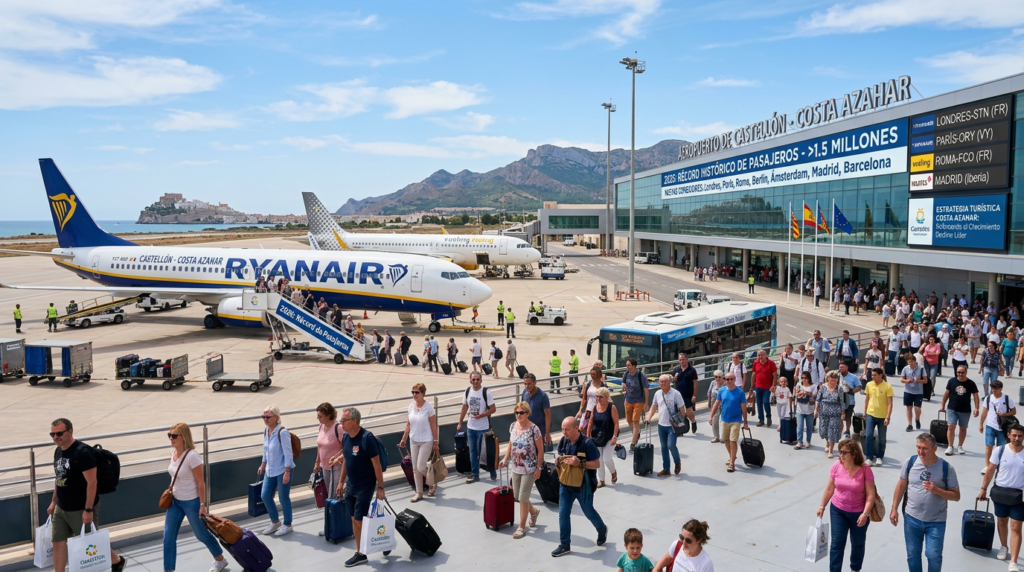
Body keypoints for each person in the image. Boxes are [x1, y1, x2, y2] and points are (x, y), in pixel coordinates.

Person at [47, 418, 127, 572]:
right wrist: (53, 501)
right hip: (61, 508)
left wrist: (88, 510)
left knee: (90, 543)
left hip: (80, 508)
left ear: (70, 432)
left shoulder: (83, 453)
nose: (55, 437)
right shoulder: (58, 451)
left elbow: (92, 483)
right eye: (52, 434)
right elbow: (59, 478)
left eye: (59, 433)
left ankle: (117, 560)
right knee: (57, 543)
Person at [890, 433, 960, 572]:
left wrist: (937, 490)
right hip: (912, 518)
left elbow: (956, 496)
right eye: (918, 447)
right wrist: (894, 509)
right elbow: (901, 485)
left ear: (934, 449)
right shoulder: (910, 463)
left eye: (925, 448)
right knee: (912, 555)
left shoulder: (946, 468)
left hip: (936, 521)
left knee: (933, 555)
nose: (920, 452)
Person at [163, 423, 227, 572]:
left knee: (201, 534)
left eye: (174, 436)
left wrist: (202, 505)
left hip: (191, 502)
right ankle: (168, 569)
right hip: (175, 502)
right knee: (168, 536)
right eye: (169, 435)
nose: (171, 438)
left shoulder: (192, 455)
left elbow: (200, 482)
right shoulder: (173, 454)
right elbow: (175, 475)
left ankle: (220, 559)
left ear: (183, 437)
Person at [333, 407, 386, 568]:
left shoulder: (367, 438)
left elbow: (376, 465)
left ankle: (362, 553)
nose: (341, 423)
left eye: (344, 420)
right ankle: (379, 543)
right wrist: (341, 481)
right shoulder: (346, 438)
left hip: (365, 485)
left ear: (354, 421)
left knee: (358, 519)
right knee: (355, 520)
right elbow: (347, 461)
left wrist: (381, 487)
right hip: (351, 485)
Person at [817, 439, 877, 572]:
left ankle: (855, 569)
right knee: (837, 544)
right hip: (838, 511)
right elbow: (829, 488)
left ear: (854, 454)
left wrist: (865, 513)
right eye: (840, 452)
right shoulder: (836, 466)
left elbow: (870, 495)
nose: (841, 455)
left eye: (845, 452)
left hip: (859, 514)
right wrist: (822, 506)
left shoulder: (865, 470)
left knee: (857, 544)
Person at [551, 416, 607, 558]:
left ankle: (601, 529)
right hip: (566, 484)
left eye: (567, 430)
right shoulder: (563, 441)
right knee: (563, 514)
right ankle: (564, 544)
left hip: (583, 486)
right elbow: (560, 455)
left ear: (577, 428)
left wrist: (580, 463)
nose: (564, 433)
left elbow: (596, 464)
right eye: (563, 429)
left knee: (588, 512)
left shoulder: (588, 444)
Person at [979, 423, 1024, 570]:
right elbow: (990, 470)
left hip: (1019, 495)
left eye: (1020, 436)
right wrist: (983, 489)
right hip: (1001, 492)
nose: (1017, 438)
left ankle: (1013, 561)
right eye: (1014, 435)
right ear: (1009, 435)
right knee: (1002, 522)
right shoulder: (1000, 450)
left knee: (1016, 527)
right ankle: (1004, 546)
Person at [499, 401, 544, 539]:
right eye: (517, 412)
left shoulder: (534, 429)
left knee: (523, 497)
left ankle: (521, 527)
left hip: (529, 468)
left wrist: (539, 467)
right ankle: (534, 512)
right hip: (516, 466)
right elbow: (510, 444)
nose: (519, 415)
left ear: (527, 413)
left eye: (521, 413)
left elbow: (540, 450)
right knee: (517, 497)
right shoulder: (513, 426)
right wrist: (505, 459)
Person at [398, 383, 439, 501]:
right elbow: (408, 424)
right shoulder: (411, 406)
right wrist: (403, 439)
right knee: (415, 469)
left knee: (421, 466)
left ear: (423, 393)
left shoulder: (429, 407)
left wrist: (435, 442)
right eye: (413, 392)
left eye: (417, 392)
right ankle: (419, 492)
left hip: (426, 440)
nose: (414, 394)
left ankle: (432, 481)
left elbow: (433, 425)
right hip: (414, 440)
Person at [258, 406, 294, 536]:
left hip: (282, 469)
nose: (265, 419)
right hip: (270, 469)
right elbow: (266, 450)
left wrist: (287, 472)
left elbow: (288, 454)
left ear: (276, 417)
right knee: (265, 495)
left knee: (283, 497)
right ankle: (275, 521)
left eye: (268, 417)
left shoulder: (282, 432)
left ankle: (288, 524)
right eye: (263, 417)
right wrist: (263, 464)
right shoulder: (266, 431)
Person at [457, 371, 497, 483]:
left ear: (481, 380)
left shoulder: (486, 392)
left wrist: (482, 415)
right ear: (470, 380)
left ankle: (492, 470)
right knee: (473, 452)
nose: (475, 381)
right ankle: (475, 474)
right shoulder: (467, 391)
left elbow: (493, 409)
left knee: (486, 452)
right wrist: (460, 422)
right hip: (471, 428)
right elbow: (464, 407)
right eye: (473, 379)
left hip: (483, 428)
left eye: (477, 379)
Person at [708, 370, 748, 472]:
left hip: (736, 420)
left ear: (734, 380)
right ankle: (732, 457)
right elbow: (716, 404)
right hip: (725, 419)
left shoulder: (740, 392)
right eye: (727, 379)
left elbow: (744, 408)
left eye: (731, 379)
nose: (729, 381)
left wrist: (745, 422)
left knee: (733, 441)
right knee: (726, 440)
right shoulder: (722, 391)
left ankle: (732, 463)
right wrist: (711, 416)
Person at [647, 374, 685, 477]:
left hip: (672, 426)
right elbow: (654, 406)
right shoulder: (658, 393)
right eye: (660, 382)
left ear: (669, 383)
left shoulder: (676, 394)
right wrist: (649, 417)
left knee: (671, 445)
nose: (662, 384)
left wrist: (680, 421)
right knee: (664, 447)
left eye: (664, 382)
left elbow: (682, 408)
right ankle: (666, 468)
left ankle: (677, 462)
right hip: (661, 425)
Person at [314, 403, 343, 535]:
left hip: (337, 467)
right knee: (330, 495)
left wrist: (337, 457)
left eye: (320, 416)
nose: (318, 418)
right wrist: (317, 462)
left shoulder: (338, 428)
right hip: (324, 467)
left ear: (328, 415)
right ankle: (336, 524)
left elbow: (346, 446)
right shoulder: (321, 426)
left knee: (334, 495)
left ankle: (333, 527)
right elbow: (320, 446)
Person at [939, 366, 980, 456]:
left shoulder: (971, 383)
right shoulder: (951, 381)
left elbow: (976, 396)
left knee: (963, 428)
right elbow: (946, 394)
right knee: (951, 426)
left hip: (965, 410)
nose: (960, 374)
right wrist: (943, 405)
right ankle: (950, 446)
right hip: (952, 408)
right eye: (958, 372)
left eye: (962, 372)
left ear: (966, 372)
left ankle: (960, 446)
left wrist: (977, 408)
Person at [981, 380, 1018, 475]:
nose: (994, 391)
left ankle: (999, 466)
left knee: (1001, 448)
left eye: (996, 389)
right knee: (989, 446)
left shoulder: (1006, 399)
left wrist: (1004, 414)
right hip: (990, 425)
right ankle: (987, 466)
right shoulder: (988, 398)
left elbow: (1014, 411)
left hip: (1002, 427)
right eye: (993, 389)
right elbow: (984, 412)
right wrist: (981, 424)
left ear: (1001, 388)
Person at [587, 386, 619, 487]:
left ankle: (613, 472)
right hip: (596, 437)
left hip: (609, 436)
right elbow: (591, 422)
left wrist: (614, 436)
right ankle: (601, 480)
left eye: (600, 397)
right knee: (599, 459)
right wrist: (588, 436)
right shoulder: (595, 407)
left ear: (606, 397)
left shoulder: (611, 407)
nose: (598, 399)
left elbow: (616, 423)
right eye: (597, 397)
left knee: (606, 458)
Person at [862, 368, 894, 466]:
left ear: (881, 375)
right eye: (872, 375)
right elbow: (867, 400)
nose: (873, 377)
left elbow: (890, 403)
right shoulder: (869, 385)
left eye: (875, 375)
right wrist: (865, 412)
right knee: (868, 436)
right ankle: (869, 457)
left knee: (882, 438)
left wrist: (888, 417)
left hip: (882, 417)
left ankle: (879, 457)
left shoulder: (887, 387)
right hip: (870, 414)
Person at [622, 358, 650, 452]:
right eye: (627, 365)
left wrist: (646, 403)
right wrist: (623, 385)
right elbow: (623, 382)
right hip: (628, 400)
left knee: (635, 422)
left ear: (634, 366)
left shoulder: (641, 375)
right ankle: (636, 433)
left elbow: (646, 390)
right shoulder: (626, 374)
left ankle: (633, 443)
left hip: (638, 401)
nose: (627, 367)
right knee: (629, 420)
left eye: (629, 365)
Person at [816, 371, 847, 458]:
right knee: (824, 430)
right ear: (828, 378)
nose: (833, 380)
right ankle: (827, 442)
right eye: (832, 378)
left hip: (835, 413)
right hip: (823, 412)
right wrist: (815, 410)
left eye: (835, 379)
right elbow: (818, 399)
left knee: (832, 431)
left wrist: (843, 413)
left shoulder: (839, 388)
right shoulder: (823, 387)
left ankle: (831, 450)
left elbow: (841, 401)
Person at [521, 373, 552, 447]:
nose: (527, 386)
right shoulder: (524, 393)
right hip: (527, 431)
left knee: (539, 454)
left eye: (529, 384)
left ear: (535, 383)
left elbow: (548, 415)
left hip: (539, 431)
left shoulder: (543, 396)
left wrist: (547, 433)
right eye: (525, 384)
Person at [672, 353, 699, 432]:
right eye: (680, 360)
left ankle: (693, 422)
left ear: (686, 359)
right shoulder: (676, 370)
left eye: (683, 359)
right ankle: (681, 429)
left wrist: (694, 395)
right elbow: (673, 380)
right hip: (678, 394)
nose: (682, 361)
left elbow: (695, 383)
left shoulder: (692, 370)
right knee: (679, 413)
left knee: (689, 411)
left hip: (688, 394)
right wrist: (674, 378)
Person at [751, 350, 778, 427]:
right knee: (759, 403)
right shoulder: (756, 362)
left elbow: (774, 375)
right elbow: (753, 374)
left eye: (761, 355)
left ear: (765, 355)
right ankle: (761, 420)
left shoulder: (771, 363)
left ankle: (768, 416)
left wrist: (773, 385)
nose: (760, 357)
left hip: (767, 387)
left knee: (766, 402)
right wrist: (751, 386)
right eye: (758, 355)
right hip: (758, 386)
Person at [576, 367, 606, 431]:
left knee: (594, 429)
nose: (592, 376)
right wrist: (580, 410)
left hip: (598, 410)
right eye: (591, 374)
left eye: (594, 374)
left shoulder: (603, 386)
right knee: (583, 428)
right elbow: (584, 398)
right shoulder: (589, 384)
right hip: (589, 410)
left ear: (598, 375)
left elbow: (606, 399)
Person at [901, 354, 926, 432]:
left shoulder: (921, 368)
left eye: (911, 362)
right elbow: (902, 379)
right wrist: (907, 381)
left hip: (918, 391)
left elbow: (925, 381)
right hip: (908, 391)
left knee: (917, 408)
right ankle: (910, 424)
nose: (910, 364)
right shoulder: (905, 369)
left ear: (915, 361)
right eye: (909, 362)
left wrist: (918, 380)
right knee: (908, 407)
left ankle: (917, 419)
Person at [794, 371, 819, 450]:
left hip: (809, 409)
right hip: (800, 409)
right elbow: (795, 394)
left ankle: (808, 441)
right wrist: (798, 392)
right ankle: (799, 442)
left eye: (805, 378)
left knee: (809, 426)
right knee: (800, 426)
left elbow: (815, 395)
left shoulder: (813, 386)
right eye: (802, 378)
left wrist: (807, 393)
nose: (803, 380)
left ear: (809, 378)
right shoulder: (799, 385)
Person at [838, 362, 862, 438]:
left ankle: (847, 430)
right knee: (839, 416)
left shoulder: (853, 377)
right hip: (839, 400)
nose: (840, 369)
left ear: (847, 367)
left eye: (842, 367)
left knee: (848, 416)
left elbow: (859, 387)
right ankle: (839, 431)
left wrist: (851, 391)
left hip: (849, 400)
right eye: (839, 367)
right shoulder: (837, 376)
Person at [707, 370, 726, 443]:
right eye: (716, 377)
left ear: (722, 377)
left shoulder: (725, 384)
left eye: (719, 377)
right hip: (714, 405)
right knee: (714, 421)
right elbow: (709, 392)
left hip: (723, 405)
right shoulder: (713, 383)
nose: (717, 379)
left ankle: (724, 436)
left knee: (724, 421)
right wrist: (709, 402)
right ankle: (716, 436)